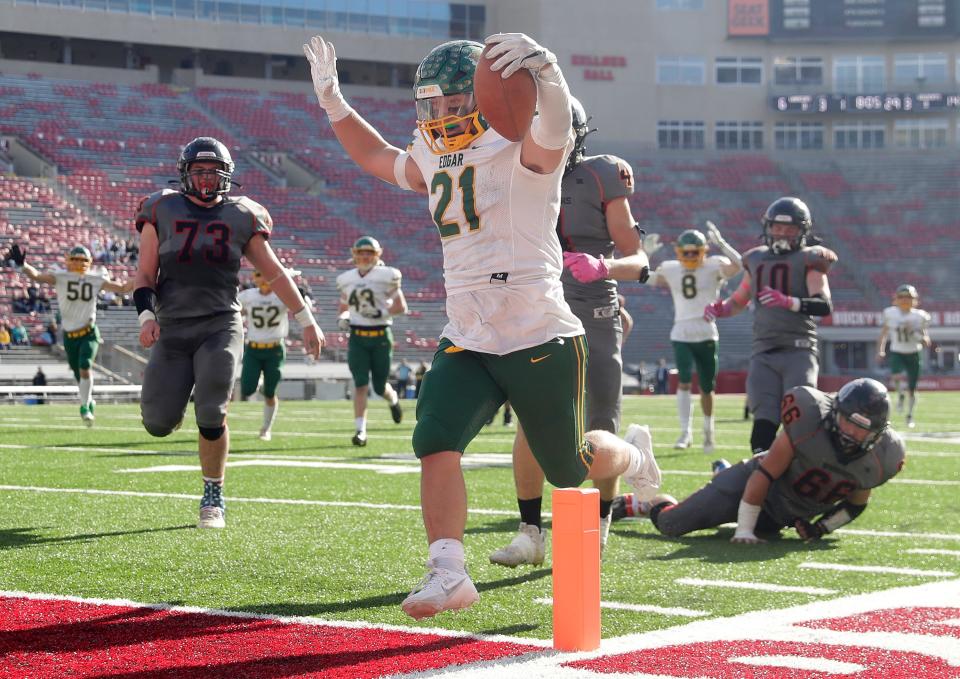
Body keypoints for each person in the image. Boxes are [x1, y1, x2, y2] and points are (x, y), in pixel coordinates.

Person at [304, 33, 662, 619]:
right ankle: (448, 570)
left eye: (454, 102)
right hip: (468, 330)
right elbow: (374, 157)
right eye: (433, 105)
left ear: (489, 98)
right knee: (434, 437)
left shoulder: (520, 144)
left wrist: (547, 72)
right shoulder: (431, 152)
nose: (441, 116)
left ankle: (634, 458)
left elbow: (554, 130)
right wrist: (333, 100)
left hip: (537, 331)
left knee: (569, 466)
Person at [490, 96, 650, 566]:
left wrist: (605, 266)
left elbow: (639, 262)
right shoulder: (513, 174)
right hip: (538, 308)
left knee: (601, 424)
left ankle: (599, 520)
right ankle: (530, 532)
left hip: (594, 308)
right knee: (531, 418)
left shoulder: (601, 174)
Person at [134, 136, 323, 529]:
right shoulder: (161, 209)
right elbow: (144, 274)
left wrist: (306, 319)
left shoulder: (242, 215)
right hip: (172, 326)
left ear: (228, 176)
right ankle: (179, 397)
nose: (206, 179)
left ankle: (212, 495)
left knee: (212, 409)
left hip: (220, 323)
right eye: (199, 171)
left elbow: (274, 271)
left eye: (214, 171)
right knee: (157, 423)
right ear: (185, 174)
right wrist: (146, 317)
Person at [611, 379, 904, 546]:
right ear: (834, 412)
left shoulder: (879, 460)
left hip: (778, 515)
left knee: (765, 531)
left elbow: (855, 504)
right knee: (671, 524)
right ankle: (642, 501)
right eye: (848, 422)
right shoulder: (810, 423)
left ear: (877, 434)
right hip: (749, 484)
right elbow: (764, 474)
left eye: (861, 429)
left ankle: (722, 474)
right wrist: (743, 531)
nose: (852, 433)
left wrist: (821, 528)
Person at [705, 197, 836, 455]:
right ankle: (761, 473)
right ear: (768, 227)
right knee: (763, 417)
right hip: (764, 351)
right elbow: (739, 301)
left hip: (798, 349)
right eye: (777, 227)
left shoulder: (811, 259)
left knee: (800, 413)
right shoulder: (755, 260)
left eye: (790, 229)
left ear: (802, 231)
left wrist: (788, 302)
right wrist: (720, 308)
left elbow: (823, 305)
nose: (782, 233)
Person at [648, 224, 741, 454]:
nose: (690, 257)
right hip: (681, 333)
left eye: (694, 252)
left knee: (707, 388)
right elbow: (646, 278)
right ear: (679, 252)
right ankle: (685, 432)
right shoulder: (671, 268)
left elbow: (739, 265)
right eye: (686, 252)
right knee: (684, 382)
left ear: (703, 251)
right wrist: (645, 255)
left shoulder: (713, 265)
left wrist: (722, 244)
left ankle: (708, 432)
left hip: (707, 332)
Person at [20, 245, 133, 425]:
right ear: (68, 260)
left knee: (84, 366)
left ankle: (84, 407)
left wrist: (144, 274)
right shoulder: (61, 277)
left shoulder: (95, 278)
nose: (79, 263)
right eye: (76, 259)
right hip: (69, 336)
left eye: (83, 260)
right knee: (79, 375)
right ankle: (88, 401)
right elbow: (36, 276)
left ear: (89, 262)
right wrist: (23, 265)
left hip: (89, 332)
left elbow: (122, 288)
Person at [336, 236, 407, 446]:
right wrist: (344, 318)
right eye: (361, 253)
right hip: (357, 337)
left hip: (380, 336)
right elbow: (344, 308)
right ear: (354, 254)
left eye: (369, 253)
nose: (365, 257)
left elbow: (401, 306)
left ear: (377, 255)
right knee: (360, 384)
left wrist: (380, 312)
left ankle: (392, 399)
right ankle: (360, 431)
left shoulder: (387, 275)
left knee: (378, 386)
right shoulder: (345, 278)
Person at [238, 268, 299, 441]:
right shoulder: (248, 295)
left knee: (270, 392)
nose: (263, 279)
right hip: (254, 348)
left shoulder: (282, 295)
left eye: (266, 275)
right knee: (247, 389)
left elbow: (302, 305)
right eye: (259, 274)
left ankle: (266, 428)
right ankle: (259, 381)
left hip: (275, 350)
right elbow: (235, 312)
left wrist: (290, 285)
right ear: (255, 278)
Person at [877, 284, 930, 429]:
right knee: (896, 376)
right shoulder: (890, 313)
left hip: (913, 353)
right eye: (902, 297)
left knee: (912, 389)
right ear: (896, 299)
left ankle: (910, 415)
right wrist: (880, 350)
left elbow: (926, 341)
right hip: (897, 351)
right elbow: (884, 334)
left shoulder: (920, 316)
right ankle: (900, 395)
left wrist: (914, 332)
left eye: (908, 297)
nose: (905, 300)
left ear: (915, 300)